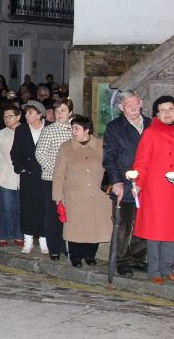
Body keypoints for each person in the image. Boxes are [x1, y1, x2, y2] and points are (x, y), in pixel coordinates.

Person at [53, 116, 112, 268]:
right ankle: (76, 256)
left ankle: (90, 255)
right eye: (72, 128)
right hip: (74, 197)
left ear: (87, 130)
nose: (73, 132)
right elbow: (59, 174)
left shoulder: (101, 145)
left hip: (97, 196)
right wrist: (58, 198)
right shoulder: (66, 148)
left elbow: (110, 167)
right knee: (75, 229)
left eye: (77, 128)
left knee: (95, 227)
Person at [102, 90, 150, 276]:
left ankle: (138, 258)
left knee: (143, 223)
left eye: (136, 104)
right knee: (123, 225)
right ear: (121, 107)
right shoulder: (114, 127)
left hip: (146, 184)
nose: (134, 108)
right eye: (129, 106)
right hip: (124, 183)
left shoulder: (151, 125)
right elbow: (110, 157)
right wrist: (116, 182)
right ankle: (121, 260)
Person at [131, 95, 174, 284]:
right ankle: (154, 270)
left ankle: (167, 267)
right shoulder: (150, 133)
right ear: (156, 114)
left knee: (171, 230)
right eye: (162, 110)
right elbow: (142, 161)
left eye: (170, 109)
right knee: (155, 231)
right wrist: (137, 182)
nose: (167, 113)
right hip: (155, 190)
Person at [35, 99, 73, 260]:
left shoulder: (75, 130)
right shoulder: (49, 130)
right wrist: (58, 172)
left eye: (63, 110)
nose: (59, 114)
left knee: (70, 214)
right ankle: (54, 248)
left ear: (70, 112)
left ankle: (67, 246)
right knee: (52, 215)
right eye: (57, 111)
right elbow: (40, 154)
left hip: (71, 180)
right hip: (51, 179)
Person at [11, 100, 50, 253]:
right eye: (26, 112)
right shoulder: (21, 130)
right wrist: (20, 168)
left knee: (43, 208)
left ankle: (43, 239)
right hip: (27, 175)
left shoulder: (49, 128)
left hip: (45, 175)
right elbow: (15, 152)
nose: (26, 115)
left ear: (40, 115)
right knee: (27, 207)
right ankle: (28, 240)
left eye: (30, 112)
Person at [0, 104, 23, 247]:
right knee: (6, 208)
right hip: (5, 177)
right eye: (5, 117)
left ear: (18, 116)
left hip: (23, 178)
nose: (7, 119)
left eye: (10, 116)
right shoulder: (0, 134)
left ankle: (18, 235)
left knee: (20, 208)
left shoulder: (26, 132)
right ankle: (4, 235)